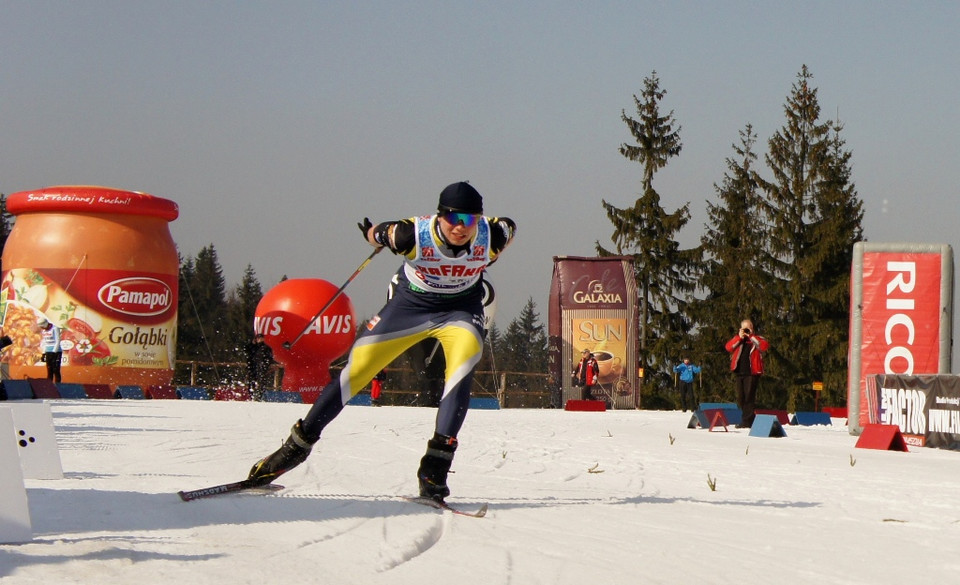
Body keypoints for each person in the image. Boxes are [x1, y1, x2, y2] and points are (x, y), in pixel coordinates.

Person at [246, 182, 516, 502]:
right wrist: (370, 233)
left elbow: (508, 226)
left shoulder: (494, 234)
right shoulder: (410, 235)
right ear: (440, 216)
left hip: (459, 312)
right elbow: (380, 233)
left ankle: (435, 470)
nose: (461, 227)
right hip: (409, 309)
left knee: (461, 372)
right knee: (356, 371)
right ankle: (292, 451)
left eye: (470, 220)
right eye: (454, 218)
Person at [724, 319, 770, 428]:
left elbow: (763, 346)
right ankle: (751, 418)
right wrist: (739, 337)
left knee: (749, 397)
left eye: (748, 328)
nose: (746, 330)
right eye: (743, 328)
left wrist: (751, 336)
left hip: (752, 372)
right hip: (739, 372)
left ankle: (746, 421)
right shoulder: (738, 340)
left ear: (752, 328)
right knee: (741, 398)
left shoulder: (757, 339)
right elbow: (728, 347)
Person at [245, 334, 274, 400]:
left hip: (261, 368)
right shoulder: (253, 347)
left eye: (261, 338)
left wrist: (266, 366)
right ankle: (252, 396)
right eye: (258, 338)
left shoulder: (266, 348)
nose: (260, 339)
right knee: (251, 382)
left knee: (261, 383)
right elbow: (246, 350)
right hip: (252, 368)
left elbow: (269, 358)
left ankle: (259, 396)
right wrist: (252, 343)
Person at [37, 317, 62, 383]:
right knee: (49, 369)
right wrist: (43, 353)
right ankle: (49, 385)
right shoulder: (44, 331)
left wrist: (54, 352)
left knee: (56, 369)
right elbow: (45, 342)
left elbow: (58, 341)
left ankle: (58, 385)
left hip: (56, 352)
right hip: (48, 351)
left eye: (42, 327)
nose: (42, 328)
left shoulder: (55, 328)